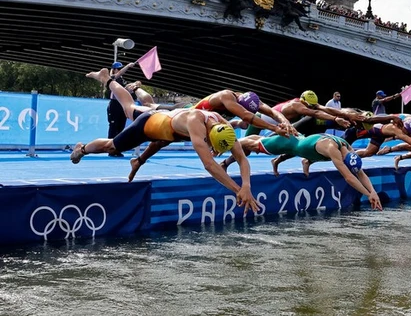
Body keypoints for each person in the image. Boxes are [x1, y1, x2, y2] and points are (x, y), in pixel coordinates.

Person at [71, 68, 259, 213]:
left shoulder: (223, 125)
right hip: (150, 124)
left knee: (153, 119)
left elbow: (242, 158)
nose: (212, 150)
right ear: (209, 136)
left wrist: (247, 186)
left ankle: (123, 86)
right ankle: (84, 147)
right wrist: (237, 190)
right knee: (112, 142)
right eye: (212, 146)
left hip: (166, 124)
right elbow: (209, 165)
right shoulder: (196, 124)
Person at [235, 133, 382, 210]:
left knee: (263, 140)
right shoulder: (333, 150)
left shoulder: (348, 149)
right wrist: (368, 194)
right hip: (291, 143)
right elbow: (349, 177)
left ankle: (306, 161)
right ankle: (232, 141)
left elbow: (359, 173)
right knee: (254, 144)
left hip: (305, 145)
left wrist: (373, 191)